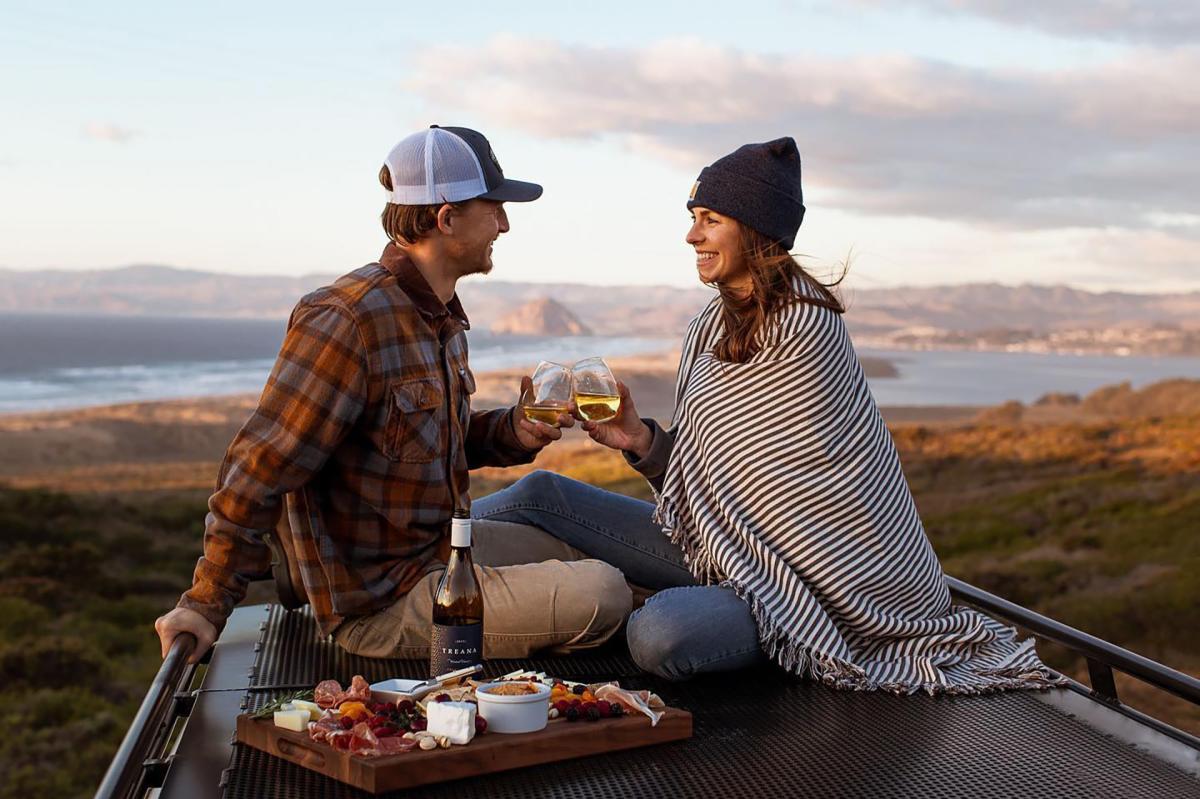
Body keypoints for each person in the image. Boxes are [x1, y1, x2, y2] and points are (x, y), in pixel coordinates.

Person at [474, 138, 1062, 692]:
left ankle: (735, 619)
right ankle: (410, 563)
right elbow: (721, 470)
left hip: (818, 586)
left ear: (755, 228)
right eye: (693, 216)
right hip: (727, 549)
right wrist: (639, 439)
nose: (690, 235)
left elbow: (785, 494)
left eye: (710, 220)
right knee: (543, 491)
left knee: (660, 634)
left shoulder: (804, 328)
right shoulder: (715, 322)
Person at [155, 125, 631, 664]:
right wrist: (206, 601)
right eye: (493, 207)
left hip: (439, 552)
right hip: (380, 603)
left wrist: (513, 430)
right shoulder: (347, 319)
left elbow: (426, 442)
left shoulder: (438, 314)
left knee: (589, 551)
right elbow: (259, 467)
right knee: (602, 593)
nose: (504, 223)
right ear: (446, 218)